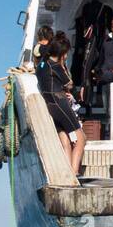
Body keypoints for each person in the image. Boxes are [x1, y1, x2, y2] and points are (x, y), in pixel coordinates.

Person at [37, 32, 87, 175]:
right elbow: (69, 84)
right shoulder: (56, 66)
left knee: (65, 139)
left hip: (49, 105)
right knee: (81, 138)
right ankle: (74, 173)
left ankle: (67, 175)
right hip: (60, 102)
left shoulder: (42, 64)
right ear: (63, 53)